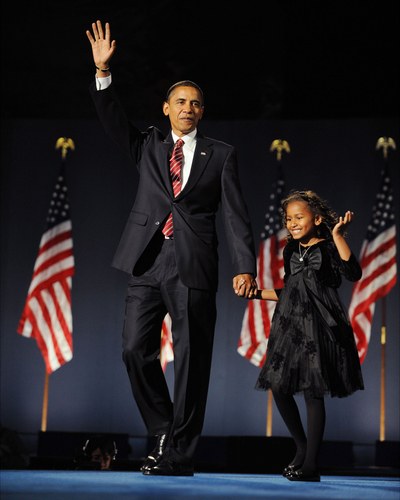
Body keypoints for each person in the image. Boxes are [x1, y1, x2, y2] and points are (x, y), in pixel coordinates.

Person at [86, 20, 257, 476]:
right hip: (147, 260)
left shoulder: (221, 154)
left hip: (194, 265)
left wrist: (245, 266)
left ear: (202, 112)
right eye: (180, 101)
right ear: (166, 108)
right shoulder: (148, 144)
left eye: (195, 103)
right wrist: (103, 73)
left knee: (191, 360)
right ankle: (164, 429)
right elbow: (112, 120)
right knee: (132, 350)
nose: (188, 108)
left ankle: (178, 455)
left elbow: (237, 215)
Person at [246, 190, 364, 482]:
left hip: (320, 326)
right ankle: (301, 447)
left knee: (313, 391)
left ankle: (311, 465)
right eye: (288, 218)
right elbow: (292, 289)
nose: (293, 222)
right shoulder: (290, 251)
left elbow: (353, 272)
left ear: (317, 218)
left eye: (299, 217)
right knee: (279, 386)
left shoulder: (327, 246)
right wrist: (257, 293)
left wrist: (338, 236)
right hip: (290, 324)